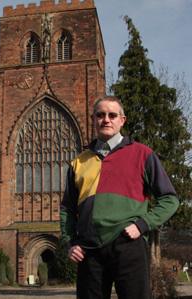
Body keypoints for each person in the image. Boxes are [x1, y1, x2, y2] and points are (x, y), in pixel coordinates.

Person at [60, 96, 179, 299]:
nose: (106, 119)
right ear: (94, 119)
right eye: (100, 115)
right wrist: (70, 242)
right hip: (89, 249)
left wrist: (143, 224)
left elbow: (170, 199)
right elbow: (67, 209)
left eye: (112, 115)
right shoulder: (78, 162)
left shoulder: (142, 154)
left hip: (128, 245)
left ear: (122, 120)